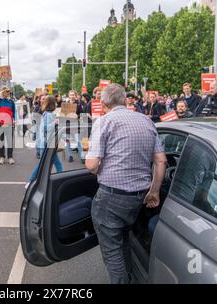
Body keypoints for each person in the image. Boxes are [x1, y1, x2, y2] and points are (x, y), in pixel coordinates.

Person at [85, 84, 167, 284]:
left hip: (111, 197)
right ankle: (130, 277)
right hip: (140, 196)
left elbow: (92, 165)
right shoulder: (146, 120)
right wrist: (154, 191)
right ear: (124, 100)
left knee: (112, 251)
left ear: (103, 103)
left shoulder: (104, 122)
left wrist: (89, 153)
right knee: (124, 240)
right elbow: (161, 161)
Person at [29, 96, 63, 182]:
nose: (56, 104)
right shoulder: (48, 115)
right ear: (52, 104)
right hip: (47, 144)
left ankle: (61, 180)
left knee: (56, 164)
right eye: (55, 102)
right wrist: (55, 123)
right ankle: (30, 181)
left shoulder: (48, 114)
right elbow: (45, 128)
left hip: (47, 143)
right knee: (43, 164)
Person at [0, 81, 17, 165]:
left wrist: (14, 119)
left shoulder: (11, 102)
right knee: (1, 141)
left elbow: (14, 112)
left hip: (9, 124)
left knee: (9, 141)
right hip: (0, 124)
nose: (7, 93)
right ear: (2, 92)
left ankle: (10, 157)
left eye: (8, 92)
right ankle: (2, 157)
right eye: (5, 91)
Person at [64, 90, 84, 164]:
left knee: (78, 141)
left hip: (76, 126)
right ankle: (70, 156)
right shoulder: (65, 105)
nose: (72, 96)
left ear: (75, 96)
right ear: (68, 96)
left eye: (73, 95)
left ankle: (82, 157)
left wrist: (77, 116)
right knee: (68, 141)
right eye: (70, 95)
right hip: (67, 126)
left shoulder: (78, 105)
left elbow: (82, 115)